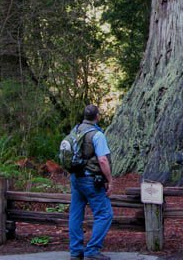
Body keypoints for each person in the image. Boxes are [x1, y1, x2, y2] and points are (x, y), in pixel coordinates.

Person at [69, 104, 114, 260]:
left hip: (76, 178)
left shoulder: (75, 130)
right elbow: (102, 159)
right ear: (97, 116)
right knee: (105, 214)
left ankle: (75, 251)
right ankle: (92, 250)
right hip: (90, 179)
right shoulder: (97, 134)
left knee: (75, 214)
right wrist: (110, 180)